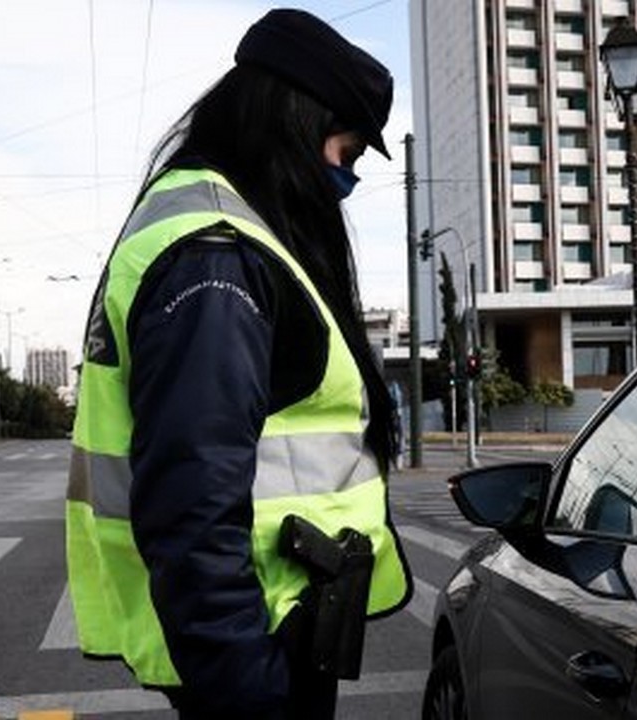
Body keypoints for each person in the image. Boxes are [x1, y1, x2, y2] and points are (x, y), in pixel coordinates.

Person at [64, 9, 412, 718]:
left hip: (267, 628)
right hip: (254, 646)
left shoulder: (221, 236)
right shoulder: (217, 256)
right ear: (293, 124)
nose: (341, 182)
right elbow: (191, 505)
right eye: (344, 153)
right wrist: (246, 689)